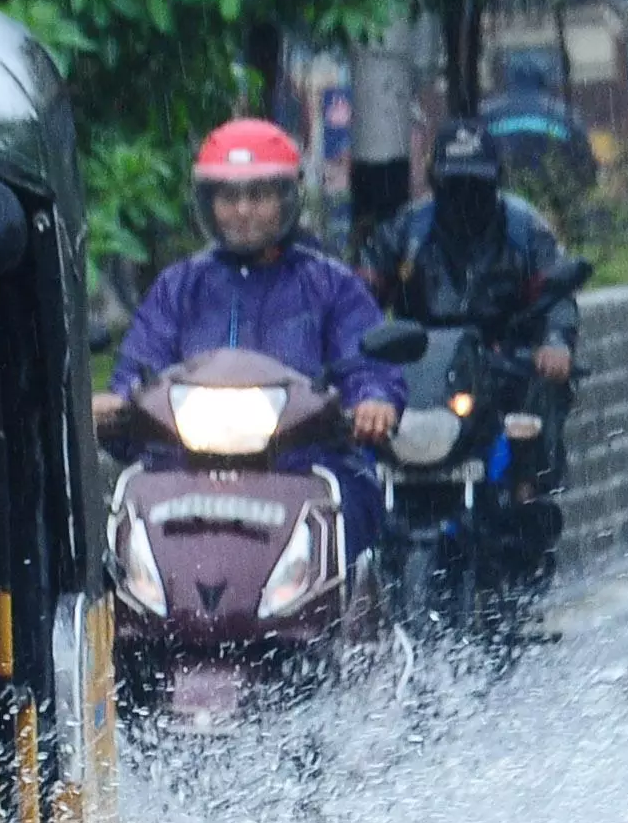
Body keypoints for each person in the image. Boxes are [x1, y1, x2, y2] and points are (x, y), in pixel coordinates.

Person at [98, 118, 404, 556]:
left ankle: (343, 599)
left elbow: (365, 361)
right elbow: (141, 367)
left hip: (303, 462)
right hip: (186, 467)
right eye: (229, 197)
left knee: (353, 498)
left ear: (286, 199)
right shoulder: (179, 286)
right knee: (122, 506)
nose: (243, 210)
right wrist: (118, 403)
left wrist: (373, 400)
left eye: (258, 196)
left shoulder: (329, 283)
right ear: (209, 203)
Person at [359, 125, 586, 571]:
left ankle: (524, 500)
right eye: (455, 183)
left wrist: (555, 342)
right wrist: (357, 350)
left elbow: (557, 297)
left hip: (502, 363)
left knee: (537, 405)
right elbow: (359, 296)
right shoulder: (406, 231)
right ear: (437, 181)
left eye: (476, 184)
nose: (466, 195)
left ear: (495, 181)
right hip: (420, 365)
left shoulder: (525, 229)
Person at [477, 60, 596, 206]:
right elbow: (585, 165)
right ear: (543, 83)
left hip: (502, 199)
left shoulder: (486, 114)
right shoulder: (564, 115)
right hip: (554, 200)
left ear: (508, 83)